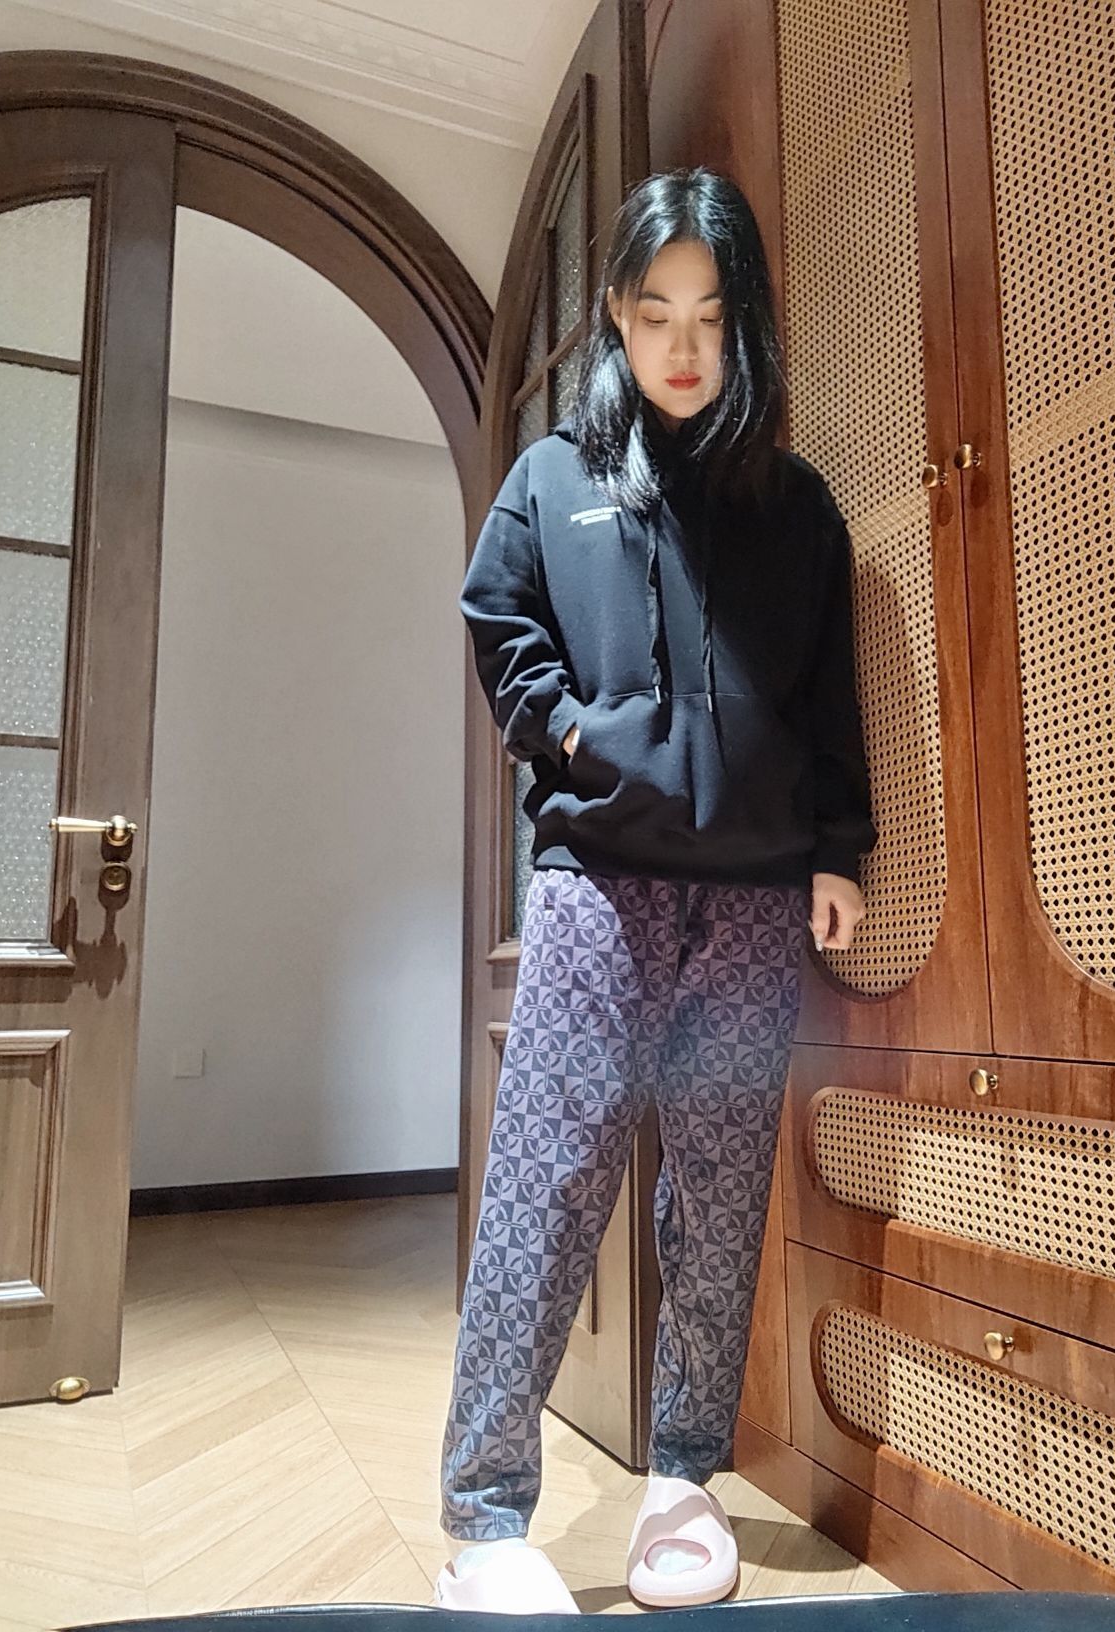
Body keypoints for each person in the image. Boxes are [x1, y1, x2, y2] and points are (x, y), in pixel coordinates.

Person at [435, 166, 877, 1614]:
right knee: (548, 1178)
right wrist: (568, 734)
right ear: (618, 318)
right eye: (654, 313)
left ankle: (683, 1477)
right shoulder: (555, 479)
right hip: (597, 887)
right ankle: (484, 1518)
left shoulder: (798, 509)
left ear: (744, 325)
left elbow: (828, 695)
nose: (683, 346)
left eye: (711, 315)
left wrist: (838, 848)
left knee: (724, 1189)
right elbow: (497, 620)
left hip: (754, 899)